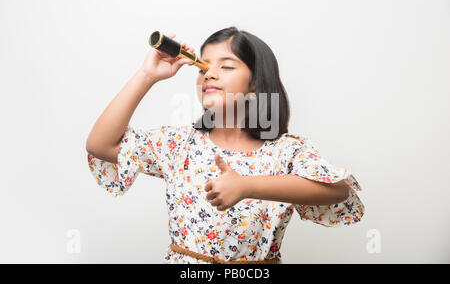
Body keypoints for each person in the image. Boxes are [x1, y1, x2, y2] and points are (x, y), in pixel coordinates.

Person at [86, 26, 365, 264]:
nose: (209, 73)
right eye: (203, 66)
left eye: (227, 66)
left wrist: (246, 186)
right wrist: (147, 75)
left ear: (256, 84)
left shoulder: (286, 151)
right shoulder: (178, 145)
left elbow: (338, 190)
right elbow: (100, 145)